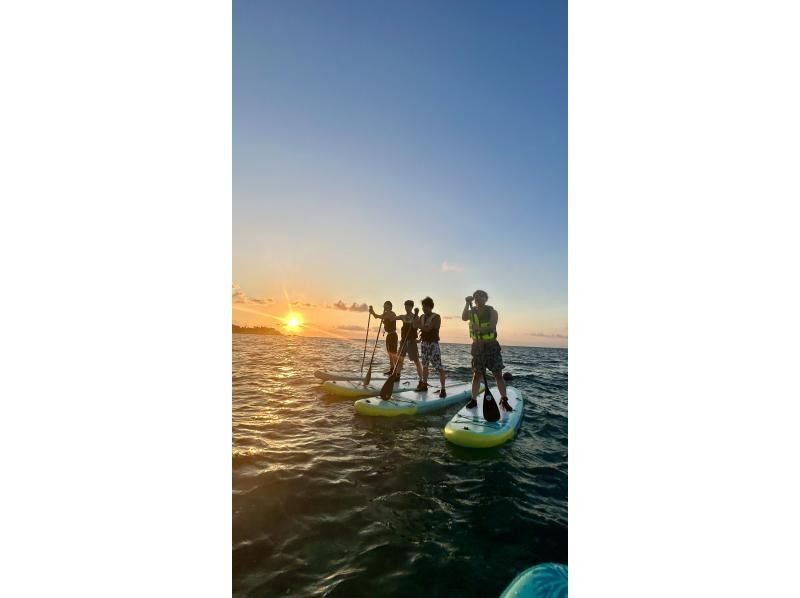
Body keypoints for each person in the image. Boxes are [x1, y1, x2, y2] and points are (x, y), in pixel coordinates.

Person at [462, 290, 513, 412]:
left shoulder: (492, 312)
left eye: (480, 296)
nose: (477, 298)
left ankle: (504, 399)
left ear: (486, 298)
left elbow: (491, 326)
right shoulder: (471, 311)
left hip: (491, 346)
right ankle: (473, 400)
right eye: (475, 297)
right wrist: (466, 303)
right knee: (476, 375)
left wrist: (478, 329)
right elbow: (464, 317)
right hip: (477, 347)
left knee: (498, 374)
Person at [418, 296, 447, 396]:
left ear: (430, 307)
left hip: (433, 345)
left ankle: (443, 389)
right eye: (423, 306)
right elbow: (415, 326)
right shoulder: (421, 316)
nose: (423, 308)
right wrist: (415, 319)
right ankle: (424, 385)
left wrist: (418, 325)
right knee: (425, 365)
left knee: (438, 367)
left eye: (425, 306)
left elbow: (428, 329)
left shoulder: (436, 317)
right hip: (424, 344)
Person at [368, 301, 398, 375]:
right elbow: (376, 316)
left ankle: (396, 371)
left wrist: (373, 312)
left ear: (390, 307)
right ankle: (392, 369)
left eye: (386, 306)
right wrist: (372, 312)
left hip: (393, 335)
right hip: (389, 335)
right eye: (384, 306)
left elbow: (379, 316)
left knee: (393, 353)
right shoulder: (385, 313)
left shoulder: (391, 313)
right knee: (389, 353)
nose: (385, 307)